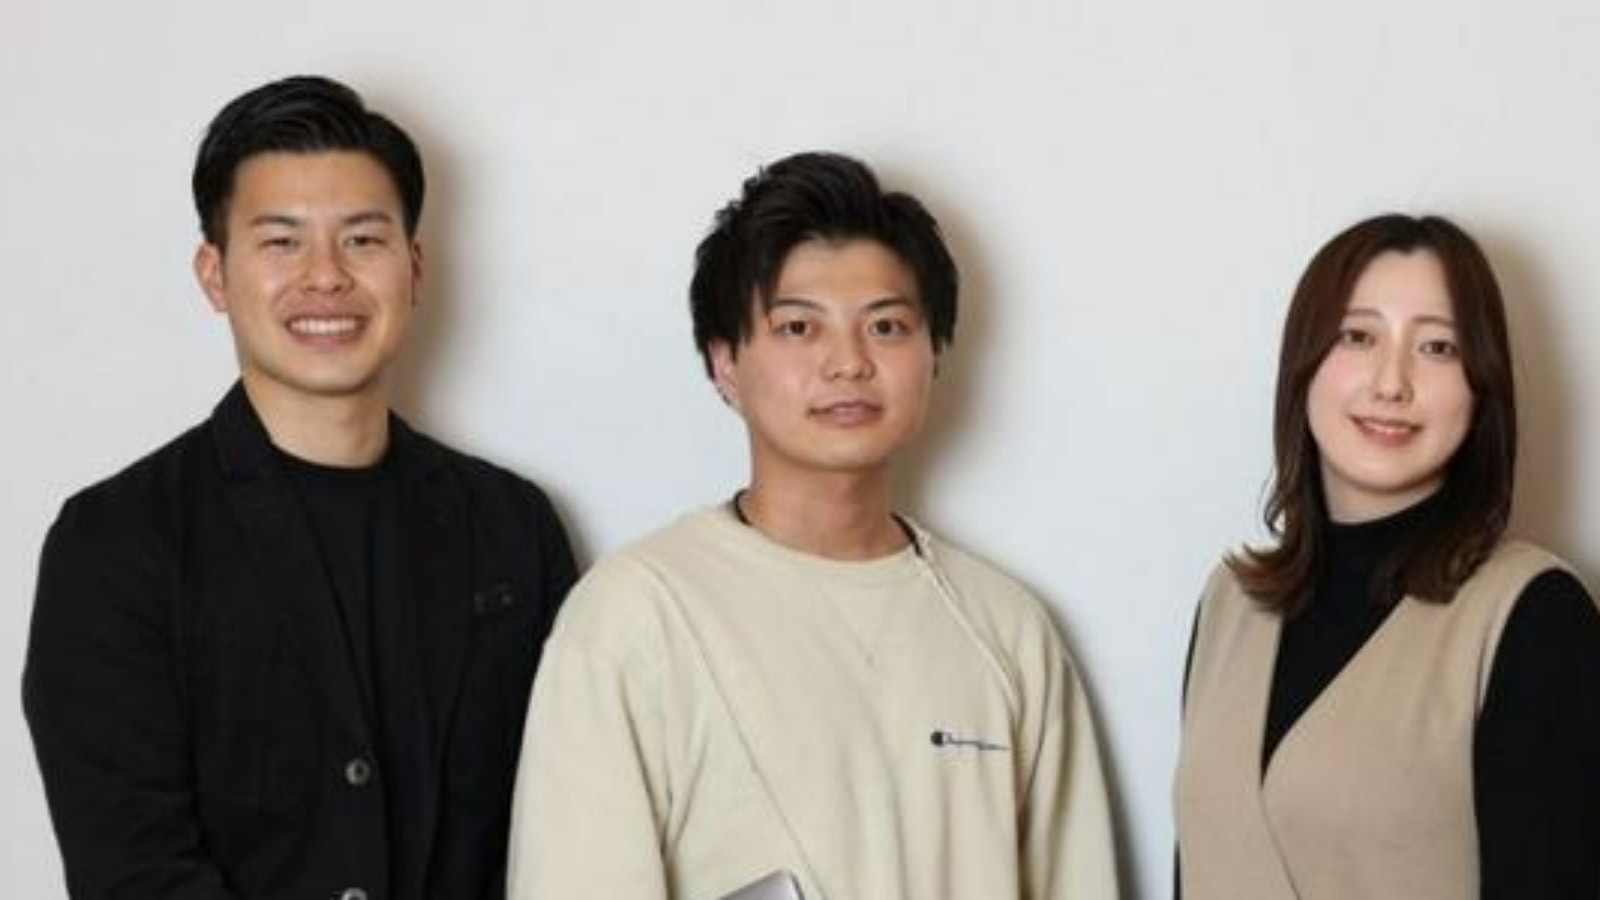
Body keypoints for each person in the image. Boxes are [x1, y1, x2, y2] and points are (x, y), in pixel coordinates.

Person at [507, 151, 1119, 900]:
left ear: (935, 353)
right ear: (725, 363)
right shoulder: (634, 618)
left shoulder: (1008, 631)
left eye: (886, 326)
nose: (848, 363)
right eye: (799, 327)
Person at [23, 75, 577, 899]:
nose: (326, 277)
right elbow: (133, 871)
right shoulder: (116, 541)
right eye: (282, 242)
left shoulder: (512, 526)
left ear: (414, 267)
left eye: (363, 239)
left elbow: (564, 826)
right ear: (214, 273)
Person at [1174, 214, 1600, 899]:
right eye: (1358, 336)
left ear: (1481, 387)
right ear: (1304, 365)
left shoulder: (1535, 616)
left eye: (1438, 347)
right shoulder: (1229, 603)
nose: (1391, 382)